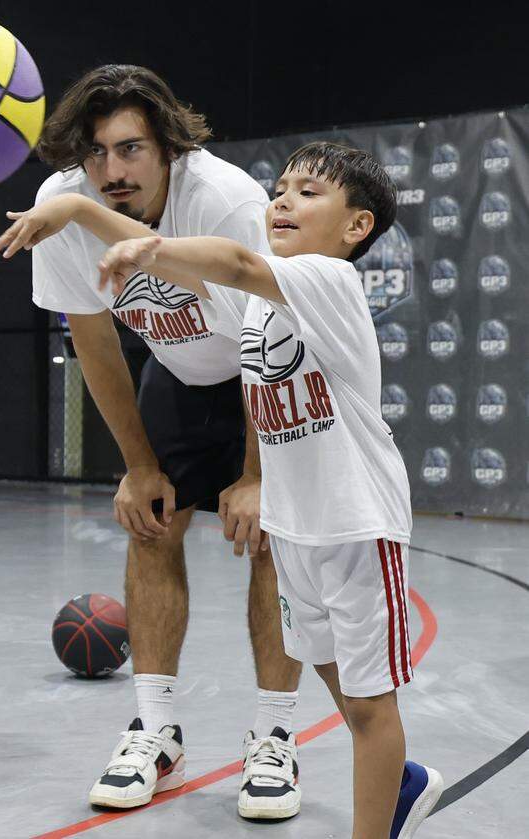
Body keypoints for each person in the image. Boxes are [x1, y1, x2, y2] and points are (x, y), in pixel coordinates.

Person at [95, 140, 442, 838]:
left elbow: (234, 260)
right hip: (296, 529)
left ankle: (391, 804)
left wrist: (138, 243)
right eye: (279, 188)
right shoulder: (260, 303)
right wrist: (86, 216)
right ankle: (397, 775)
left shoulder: (330, 281)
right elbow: (215, 279)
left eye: (308, 192)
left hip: (355, 526)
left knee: (373, 710)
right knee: (319, 655)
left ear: (357, 228)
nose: (282, 199)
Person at [0, 64, 302, 816]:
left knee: (272, 539)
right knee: (151, 524)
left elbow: (273, 328)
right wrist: (136, 466)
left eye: (129, 149)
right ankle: (156, 729)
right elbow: (94, 340)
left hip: (270, 368)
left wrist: (257, 476)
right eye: (95, 153)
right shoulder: (62, 205)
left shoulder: (225, 199)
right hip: (180, 374)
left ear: (167, 146)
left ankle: (274, 738)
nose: (111, 170)